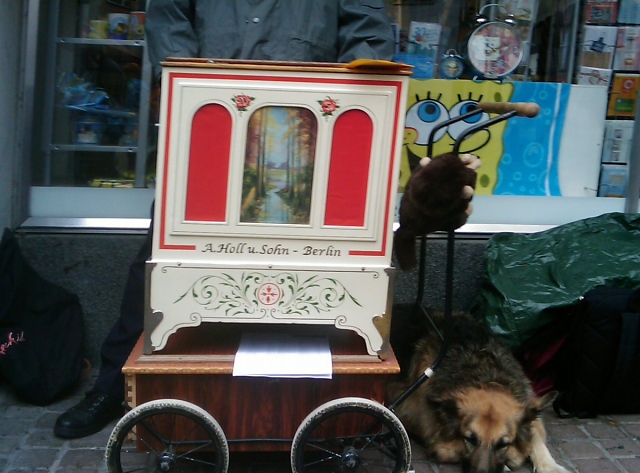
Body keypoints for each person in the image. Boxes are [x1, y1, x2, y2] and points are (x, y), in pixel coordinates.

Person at [54, 0, 396, 439]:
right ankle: (114, 386)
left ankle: (329, 403)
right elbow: (170, 16)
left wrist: (341, 96)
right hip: (212, 119)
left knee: (319, 263)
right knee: (164, 257)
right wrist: (191, 79)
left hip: (306, 126)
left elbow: (367, 30)